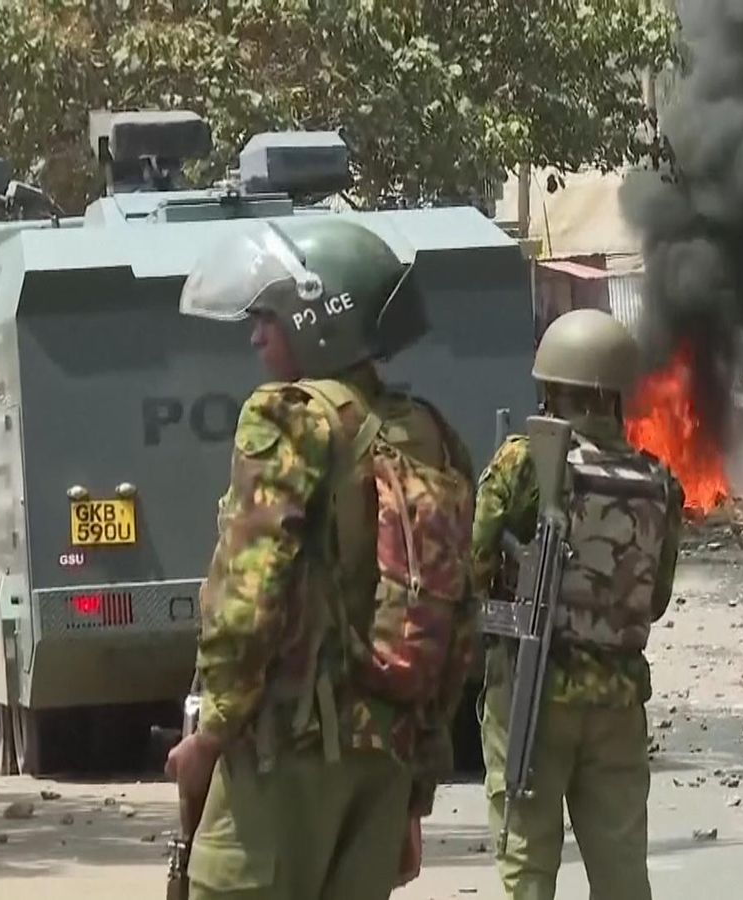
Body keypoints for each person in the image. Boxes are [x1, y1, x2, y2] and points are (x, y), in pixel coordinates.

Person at [167, 219, 475, 899]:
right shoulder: (433, 434)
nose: (255, 336)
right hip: (385, 764)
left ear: (319, 322)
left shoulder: (285, 416)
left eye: (269, 318)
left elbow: (248, 596)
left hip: (286, 759)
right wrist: (419, 770)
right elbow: (458, 616)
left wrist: (210, 735)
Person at [473, 309, 685, 900]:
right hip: (618, 698)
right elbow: (657, 598)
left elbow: (472, 565)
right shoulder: (658, 480)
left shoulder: (525, 461)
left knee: (528, 868)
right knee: (621, 874)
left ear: (551, 387)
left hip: (533, 693)